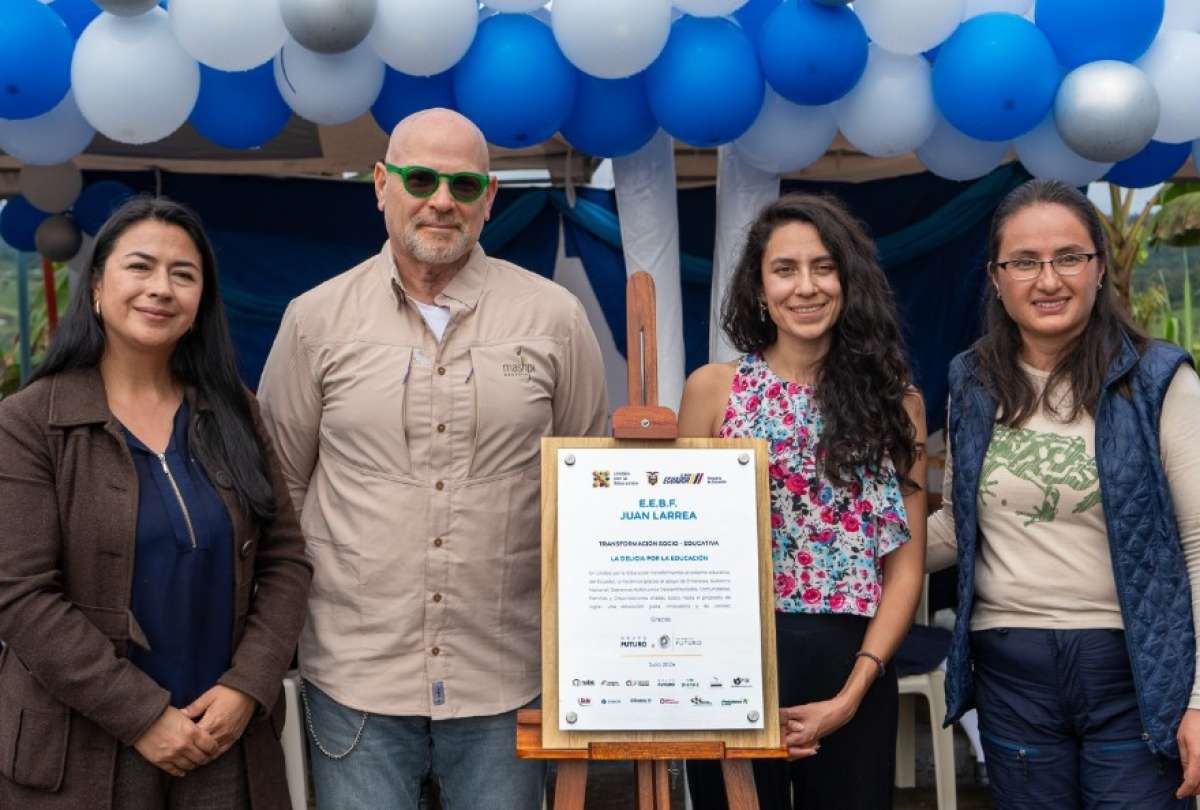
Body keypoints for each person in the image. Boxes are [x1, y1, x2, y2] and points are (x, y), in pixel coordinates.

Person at [257, 107, 608, 810]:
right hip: (357, 673)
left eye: (464, 184)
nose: (442, 200)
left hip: (503, 671)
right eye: (421, 178)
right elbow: (280, 488)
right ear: (382, 185)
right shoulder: (315, 319)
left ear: (489, 199)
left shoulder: (554, 318)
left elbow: (586, 483)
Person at [0, 196, 313, 809]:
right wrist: (143, 716)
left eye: (183, 274)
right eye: (140, 267)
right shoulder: (29, 422)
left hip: (220, 741)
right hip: (77, 753)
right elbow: (21, 595)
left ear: (200, 305)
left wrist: (247, 688)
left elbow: (286, 562)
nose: (160, 288)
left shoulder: (235, 414)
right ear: (96, 288)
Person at [926, 178, 1200, 808]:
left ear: (1098, 268)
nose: (1048, 281)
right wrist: (844, 547)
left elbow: (1196, 543)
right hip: (1011, 673)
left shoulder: (1158, 379)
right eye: (1024, 262)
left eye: (1068, 258)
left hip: (1135, 670)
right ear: (997, 278)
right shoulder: (972, 379)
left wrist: (1197, 702)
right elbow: (955, 525)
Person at [679, 193, 927, 809]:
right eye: (784, 269)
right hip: (730, 671)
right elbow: (682, 552)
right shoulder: (713, 391)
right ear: (759, 290)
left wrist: (851, 694)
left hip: (854, 666)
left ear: (848, 282)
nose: (805, 287)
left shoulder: (898, 404)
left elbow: (905, 566)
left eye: (823, 267)